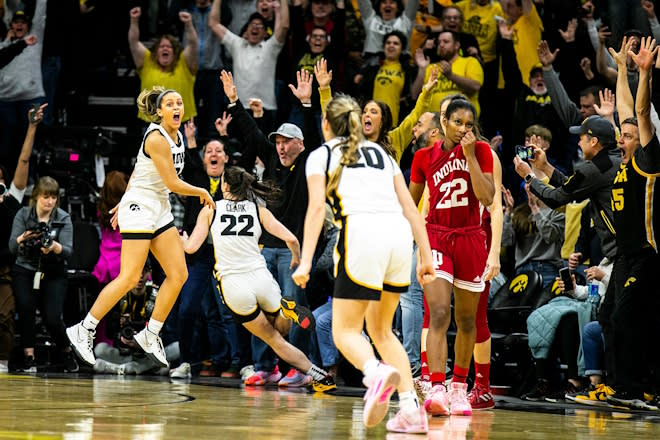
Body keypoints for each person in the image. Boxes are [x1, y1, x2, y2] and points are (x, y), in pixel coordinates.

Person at [293, 94, 436, 433]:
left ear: (326, 124)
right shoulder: (382, 154)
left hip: (361, 234)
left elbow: (315, 211)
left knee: (344, 331)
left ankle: (374, 372)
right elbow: (412, 209)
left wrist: (306, 261)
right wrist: (426, 255)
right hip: (399, 239)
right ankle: (411, 410)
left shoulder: (321, 154)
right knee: (383, 330)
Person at [66, 87, 215, 369]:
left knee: (179, 273)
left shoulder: (179, 135)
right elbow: (173, 183)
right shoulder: (157, 138)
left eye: (179, 103)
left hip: (158, 205)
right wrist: (202, 192)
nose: (176, 107)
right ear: (159, 111)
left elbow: (138, 168)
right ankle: (84, 329)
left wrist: (121, 202)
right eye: (169, 103)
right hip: (142, 207)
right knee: (130, 276)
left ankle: (151, 332)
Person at [183, 166, 335, 392]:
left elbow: (192, 247)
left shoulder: (210, 210)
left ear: (224, 186)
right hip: (260, 277)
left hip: (234, 285)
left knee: (274, 339)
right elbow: (292, 239)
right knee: (281, 331)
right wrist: (296, 259)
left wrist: (181, 239)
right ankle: (289, 316)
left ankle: (316, 373)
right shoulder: (257, 208)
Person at [219, 69, 322, 387]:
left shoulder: (309, 163)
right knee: (265, 309)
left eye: (287, 141)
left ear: (300, 145)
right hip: (266, 250)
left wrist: (306, 105)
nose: (280, 146)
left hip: (296, 250)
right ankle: (266, 366)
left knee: (294, 310)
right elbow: (251, 133)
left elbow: (317, 140)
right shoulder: (273, 161)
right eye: (277, 141)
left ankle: (301, 370)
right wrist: (234, 102)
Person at [409, 99, 495, 416]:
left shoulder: (481, 151)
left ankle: (459, 388)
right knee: (440, 312)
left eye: (469, 124)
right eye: (457, 122)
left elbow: (487, 197)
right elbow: (411, 204)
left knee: (467, 320)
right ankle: (436, 387)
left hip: (472, 238)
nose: (463, 129)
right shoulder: (423, 157)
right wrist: (417, 245)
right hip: (437, 236)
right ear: (444, 121)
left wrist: (470, 156)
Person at [9, 176, 76, 372]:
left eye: (54, 197)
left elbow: (68, 250)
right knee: (26, 309)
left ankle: (66, 351)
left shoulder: (63, 218)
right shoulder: (23, 215)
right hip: (25, 268)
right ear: (36, 196)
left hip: (53, 271)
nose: (50, 202)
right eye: (46, 197)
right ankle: (29, 356)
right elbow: (12, 246)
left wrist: (54, 247)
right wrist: (24, 237)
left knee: (52, 316)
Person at [0, 103, 46, 373]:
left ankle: (4, 360)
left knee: (5, 314)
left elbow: (23, 161)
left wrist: (32, 127)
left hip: (7, 268)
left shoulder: (11, 203)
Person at [209, 0, 289, 132]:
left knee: (264, 148)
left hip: (266, 108)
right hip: (240, 108)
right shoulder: (237, 45)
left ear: (265, 34)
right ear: (246, 29)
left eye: (260, 26)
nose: (255, 28)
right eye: (252, 25)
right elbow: (213, 23)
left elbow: (284, 26)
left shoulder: (271, 47)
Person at [94, 261, 178, 375]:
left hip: (149, 353)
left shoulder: (157, 295)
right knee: (100, 349)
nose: (140, 276)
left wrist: (143, 341)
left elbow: (164, 331)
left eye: (144, 272)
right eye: (137, 272)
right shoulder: (119, 294)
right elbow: (109, 331)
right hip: (125, 353)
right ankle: (146, 369)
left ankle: (125, 368)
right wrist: (121, 338)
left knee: (177, 348)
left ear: (149, 272)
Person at [128, 6, 199, 128]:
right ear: (156, 51)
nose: (165, 48)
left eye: (169, 47)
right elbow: (133, 42)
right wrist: (134, 20)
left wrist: (188, 24)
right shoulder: (147, 63)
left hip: (182, 125)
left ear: (175, 51)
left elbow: (193, 44)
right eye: (161, 46)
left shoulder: (184, 64)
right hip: (152, 125)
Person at [0, 3, 47, 168]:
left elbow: (40, 16)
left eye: (23, 22)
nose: (19, 25)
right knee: (5, 144)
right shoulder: (3, 46)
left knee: (31, 140)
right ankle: (5, 179)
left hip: (32, 98)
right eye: (16, 22)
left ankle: (31, 179)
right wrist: (7, 40)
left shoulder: (35, 40)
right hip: (5, 101)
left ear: (28, 25)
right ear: (11, 25)